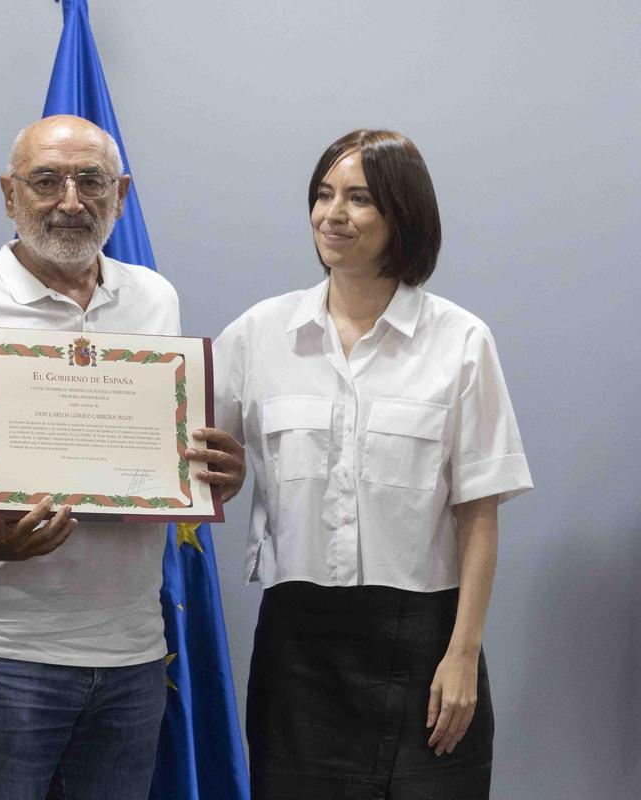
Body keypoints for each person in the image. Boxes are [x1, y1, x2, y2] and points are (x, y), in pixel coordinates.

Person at [0, 114, 245, 799]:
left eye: (91, 181)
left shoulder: (154, 296)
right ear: (9, 194)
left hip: (133, 651)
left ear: (121, 194)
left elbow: (165, 448)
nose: (70, 201)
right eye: (46, 181)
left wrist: (216, 473)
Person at [215, 129, 533, 799]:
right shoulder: (257, 336)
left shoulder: (461, 342)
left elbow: (478, 514)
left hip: (423, 643)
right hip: (298, 648)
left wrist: (463, 654)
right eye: (324, 195)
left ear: (402, 215)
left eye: (358, 198)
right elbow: (194, 464)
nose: (335, 214)